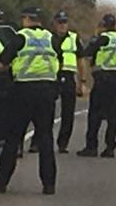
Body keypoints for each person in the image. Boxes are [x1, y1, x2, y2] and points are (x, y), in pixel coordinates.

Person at [0, 7, 62, 195]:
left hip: (23, 92)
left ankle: (1, 182)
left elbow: (1, 65)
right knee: (45, 138)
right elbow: (59, 63)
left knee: (13, 137)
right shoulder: (51, 38)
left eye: (23, 18)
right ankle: (49, 184)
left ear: (28, 19)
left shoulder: (20, 37)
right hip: (46, 91)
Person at [29, 11, 86, 153]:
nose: (62, 25)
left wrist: (82, 82)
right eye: (60, 22)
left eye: (64, 22)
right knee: (44, 111)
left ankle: (63, 143)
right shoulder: (47, 37)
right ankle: (38, 142)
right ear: (54, 24)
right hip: (51, 76)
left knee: (68, 113)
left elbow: (81, 60)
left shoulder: (74, 38)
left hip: (68, 76)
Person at [77, 14, 116, 158]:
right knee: (113, 115)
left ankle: (91, 146)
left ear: (103, 25)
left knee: (95, 113)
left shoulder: (103, 38)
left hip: (103, 78)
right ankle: (110, 147)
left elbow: (87, 52)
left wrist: (93, 40)